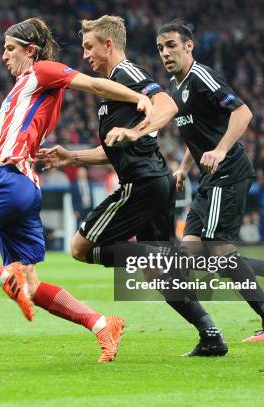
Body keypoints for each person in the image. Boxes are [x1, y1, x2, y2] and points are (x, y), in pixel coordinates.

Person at [0, 18, 156, 363]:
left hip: (11, 182)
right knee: (30, 285)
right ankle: (102, 324)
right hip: (22, 183)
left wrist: (140, 98)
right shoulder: (23, 88)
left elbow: (95, 85)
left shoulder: (43, 70)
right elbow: (25, 131)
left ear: (30, 51)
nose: (3, 56)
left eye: (10, 49)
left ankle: (1, 276)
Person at [38, 15, 230, 358]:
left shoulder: (127, 74)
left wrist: (135, 131)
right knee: (160, 274)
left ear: (109, 45)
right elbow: (113, 149)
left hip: (141, 183)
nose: (84, 54)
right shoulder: (117, 86)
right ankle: (211, 334)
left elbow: (167, 105)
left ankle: (160, 256)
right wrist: (72, 157)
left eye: (89, 46)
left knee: (80, 248)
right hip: (155, 181)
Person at [154, 20, 264, 344]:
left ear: (189, 46)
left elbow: (243, 113)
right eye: (161, 48)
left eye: (172, 45)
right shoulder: (178, 90)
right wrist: (182, 168)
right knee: (189, 255)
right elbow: (196, 136)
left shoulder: (202, 77)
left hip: (229, 173)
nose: (165, 53)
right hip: (208, 179)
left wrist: (219, 150)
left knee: (219, 251)